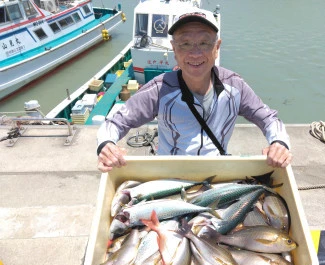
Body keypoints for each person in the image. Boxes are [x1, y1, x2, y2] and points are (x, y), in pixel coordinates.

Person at [97, 8, 292, 173]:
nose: (195, 53)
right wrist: (106, 145)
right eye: (185, 43)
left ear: (217, 48)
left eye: (204, 43)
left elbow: (269, 119)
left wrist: (279, 144)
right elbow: (115, 122)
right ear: (174, 49)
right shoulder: (159, 90)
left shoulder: (235, 86)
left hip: (217, 172)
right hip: (169, 174)